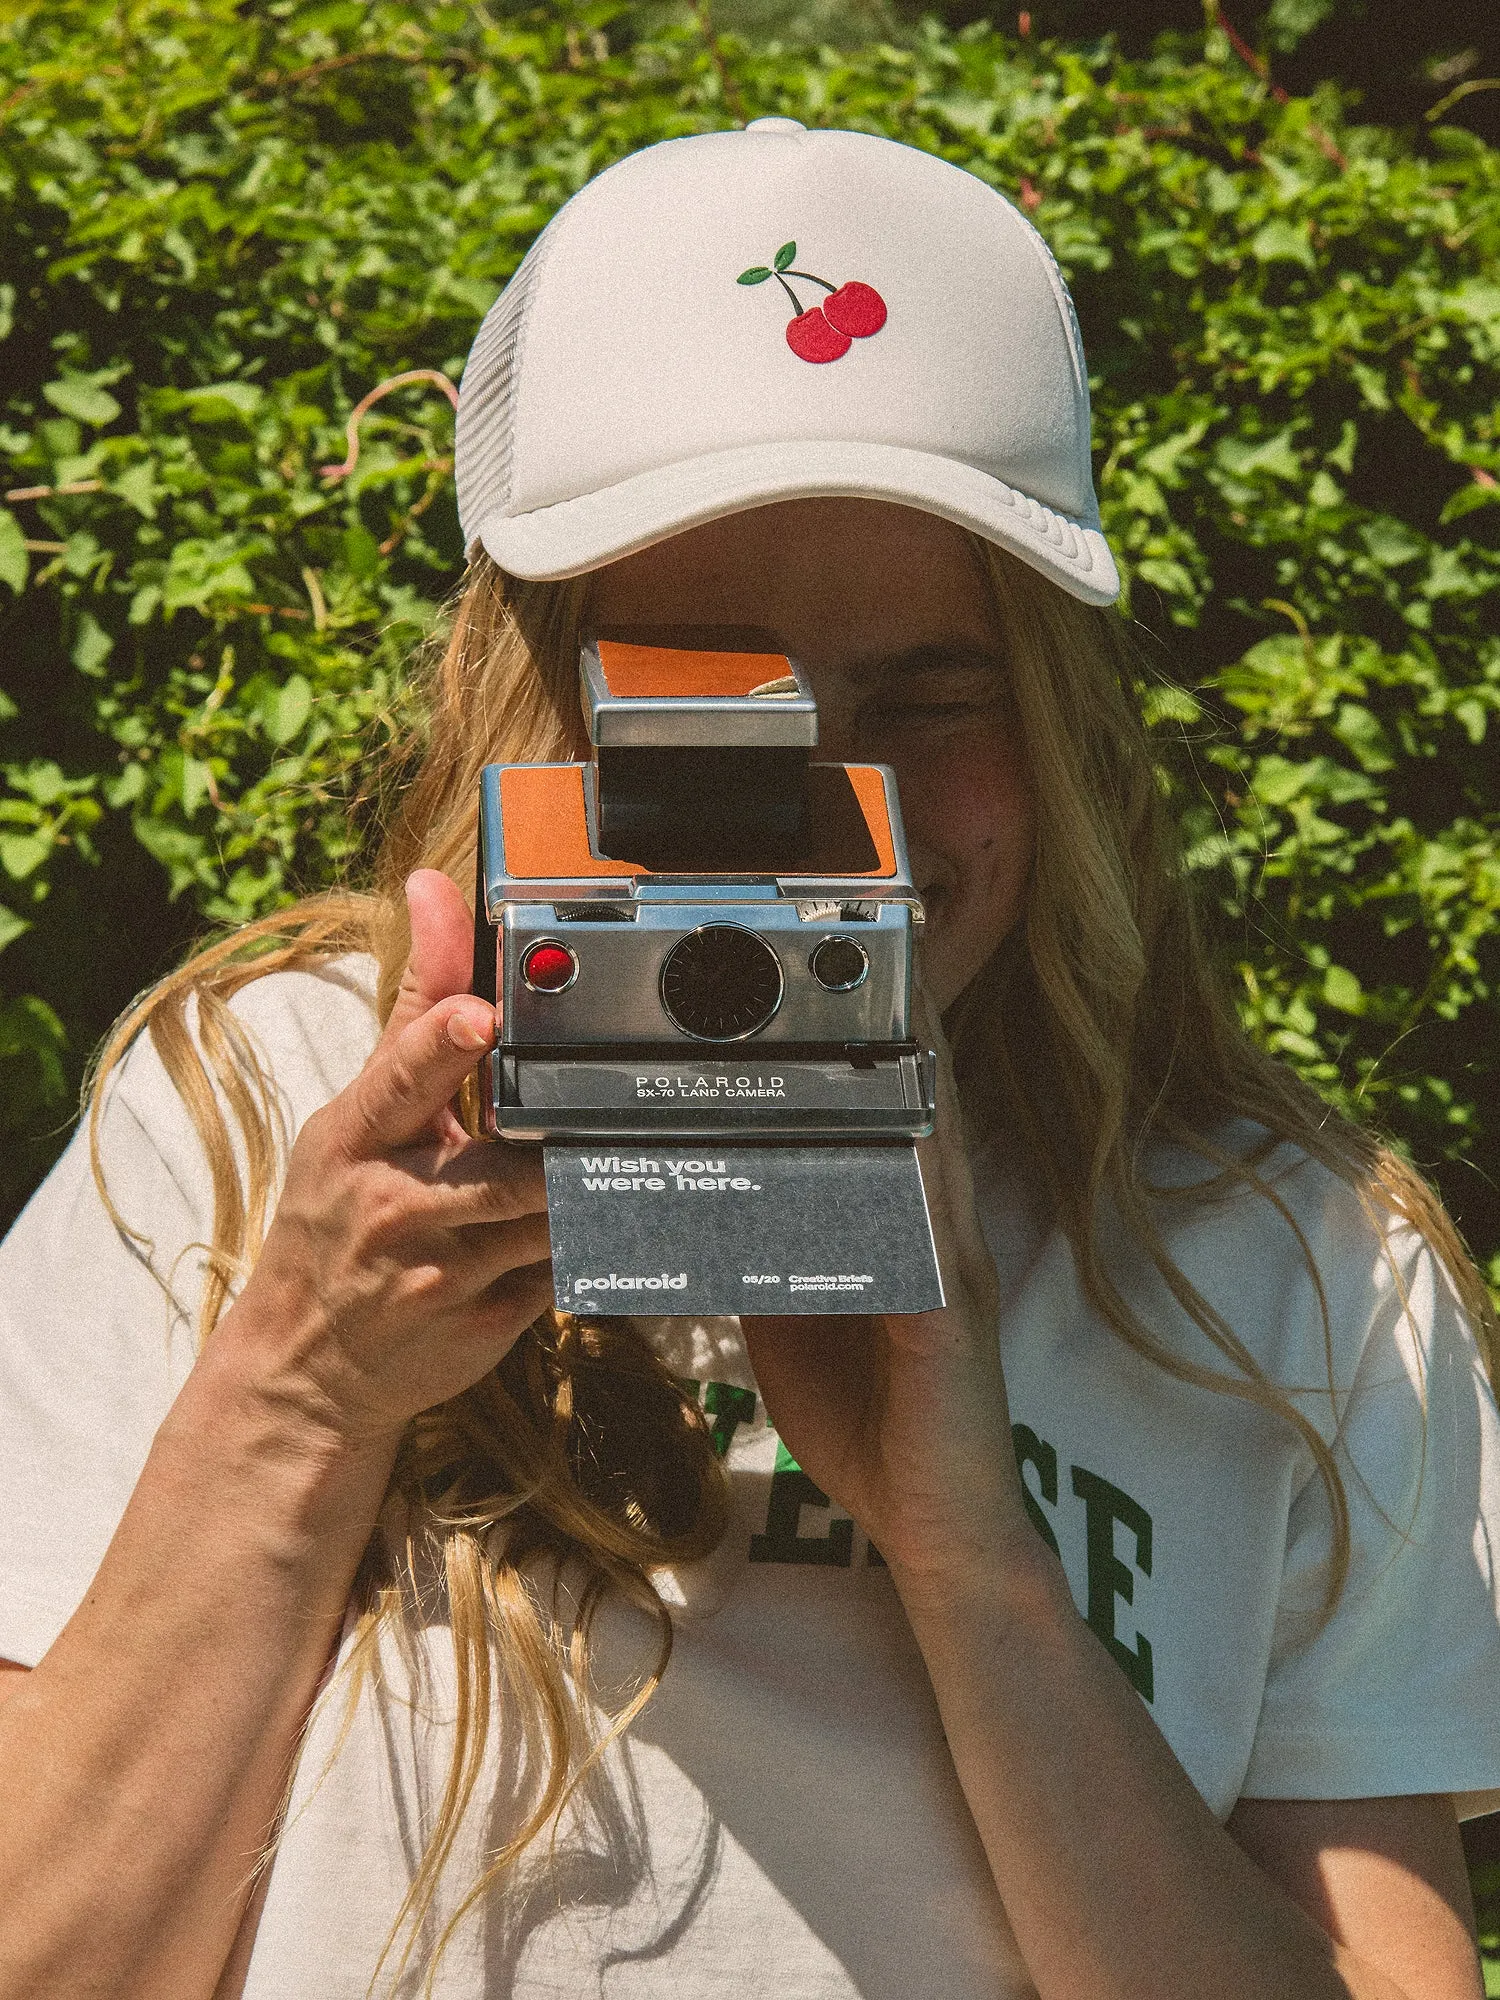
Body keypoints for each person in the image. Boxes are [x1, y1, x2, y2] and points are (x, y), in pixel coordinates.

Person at [0, 118, 1497, 2000]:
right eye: (707, 707)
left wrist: (978, 1567)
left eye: (928, 699)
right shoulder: (252, 1121)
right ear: (536, 693)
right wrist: (302, 1399)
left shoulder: (1290, 1271)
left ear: (1057, 725)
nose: (823, 827)